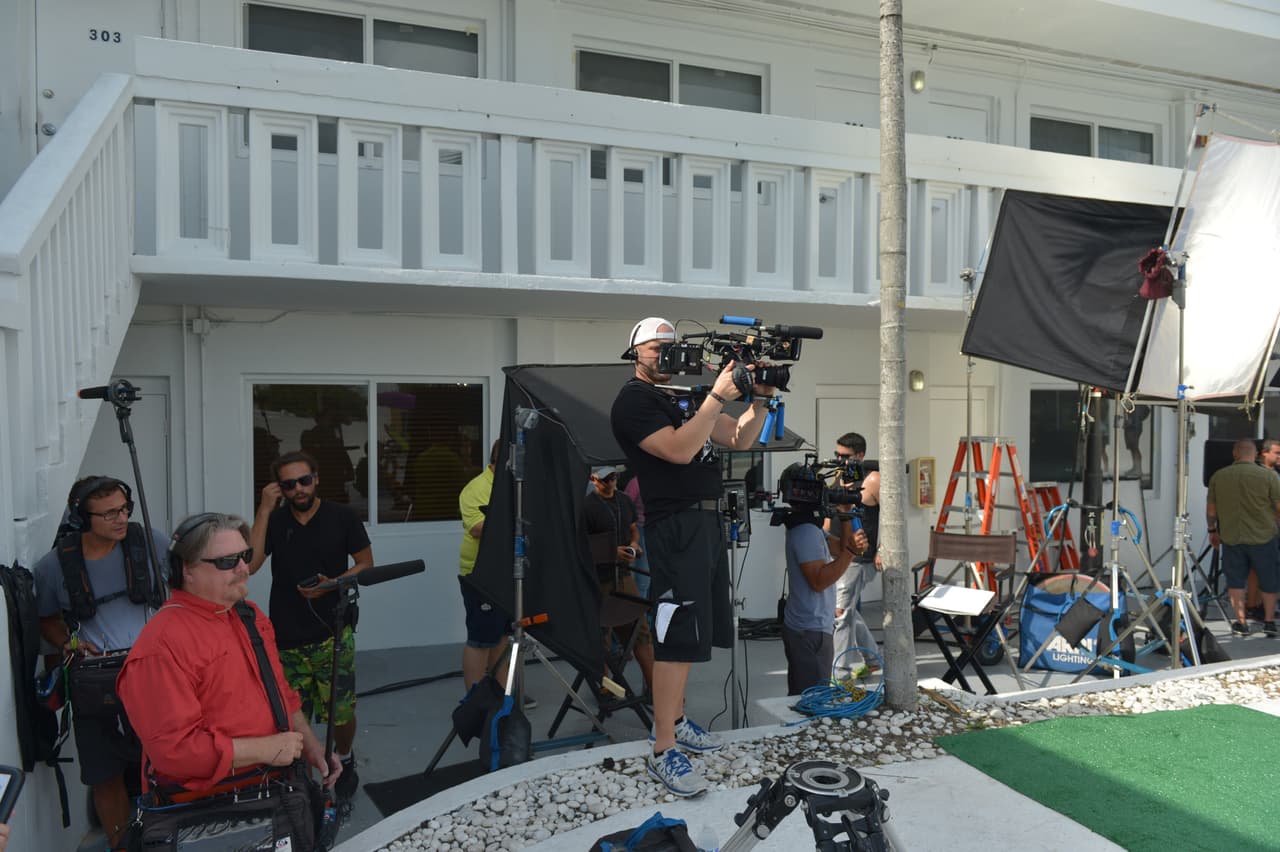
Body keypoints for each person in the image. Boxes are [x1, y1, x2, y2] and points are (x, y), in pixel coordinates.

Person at [611, 316, 776, 797]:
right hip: (674, 524)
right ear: (635, 353)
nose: (665, 355)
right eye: (655, 348)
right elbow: (679, 450)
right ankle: (663, 746)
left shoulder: (680, 397)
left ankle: (678, 720)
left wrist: (760, 400)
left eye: (671, 347)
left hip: (704, 522)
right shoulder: (634, 401)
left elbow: (740, 438)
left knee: (694, 629)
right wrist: (717, 396)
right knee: (676, 630)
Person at [118, 513, 340, 795]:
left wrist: (311, 746)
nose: (244, 568)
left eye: (245, 556)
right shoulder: (160, 647)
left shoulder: (250, 616)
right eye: (227, 561)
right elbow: (174, 752)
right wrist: (264, 749)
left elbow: (282, 693)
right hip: (211, 805)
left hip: (278, 790)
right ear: (186, 570)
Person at [33, 476, 167, 849]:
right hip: (94, 682)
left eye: (124, 509)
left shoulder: (151, 543)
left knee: (164, 765)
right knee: (104, 774)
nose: (121, 519)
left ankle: (165, 840)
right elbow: (46, 618)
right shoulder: (54, 566)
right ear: (81, 518)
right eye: (109, 513)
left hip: (153, 672)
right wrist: (70, 642)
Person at [248, 451, 372, 800]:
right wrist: (264, 510)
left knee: (341, 711)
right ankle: (301, 772)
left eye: (304, 481)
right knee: (292, 713)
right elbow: (251, 564)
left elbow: (365, 563)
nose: (298, 489)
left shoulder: (342, 516)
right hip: (286, 635)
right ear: (280, 488)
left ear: (316, 478)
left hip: (333, 632)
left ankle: (345, 758)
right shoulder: (275, 521)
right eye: (289, 484)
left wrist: (331, 585)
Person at [779, 464, 868, 694]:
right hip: (809, 630)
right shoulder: (805, 531)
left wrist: (845, 515)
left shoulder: (809, 526)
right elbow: (818, 581)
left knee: (809, 695)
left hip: (812, 626)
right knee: (811, 699)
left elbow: (839, 548)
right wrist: (852, 552)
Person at [582, 466, 654, 694]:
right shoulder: (586, 507)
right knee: (601, 636)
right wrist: (612, 552)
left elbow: (633, 528)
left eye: (614, 477)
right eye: (606, 479)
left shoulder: (624, 500)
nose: (612, 482)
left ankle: (655, 688)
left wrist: (634, 544)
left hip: (623, 576)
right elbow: (580, 546)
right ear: (594, 480)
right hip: (599, 579)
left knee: (640, 631)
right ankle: (605, 689)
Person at [1206, 438, 1280, 637]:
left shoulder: (1218, 476)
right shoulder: (1268, 476)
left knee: (1236, 581)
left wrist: (1212, 531)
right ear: (1255, 455)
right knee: (1269, 579)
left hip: (1232, 537)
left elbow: (1211, 510)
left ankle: (1241, 623)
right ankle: (1269, 622)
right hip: (1264, 536)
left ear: (1235, 454)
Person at [826, 433, 883, 680]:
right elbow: (829, 513)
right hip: (836, 552)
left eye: (845, 456)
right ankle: (873, 659)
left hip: (859, 558)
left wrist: (882, 549)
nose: (840, 460)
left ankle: (839, 673)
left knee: (840, 613)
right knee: (846, 611)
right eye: (837, 455)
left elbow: (891, 517)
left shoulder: (873, 480)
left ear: (860, 455)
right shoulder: (838, 477)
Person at [621, 472, 652, 601]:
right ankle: (641, 608)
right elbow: (625, 505)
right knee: (643, 575)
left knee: (649, 575)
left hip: (657, 529)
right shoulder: (636, 482)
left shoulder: (638, 482)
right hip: (642, 529)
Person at [1122, 405, 1149, 479]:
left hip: (1134, 426)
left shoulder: (1136, 402)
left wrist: (1137, 419)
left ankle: (1138, 469)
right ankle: (1135, 467)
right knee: (1132, 448)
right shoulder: (1131, 402)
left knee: (1135, 447)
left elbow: (1147, 410)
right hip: (1132, 426)